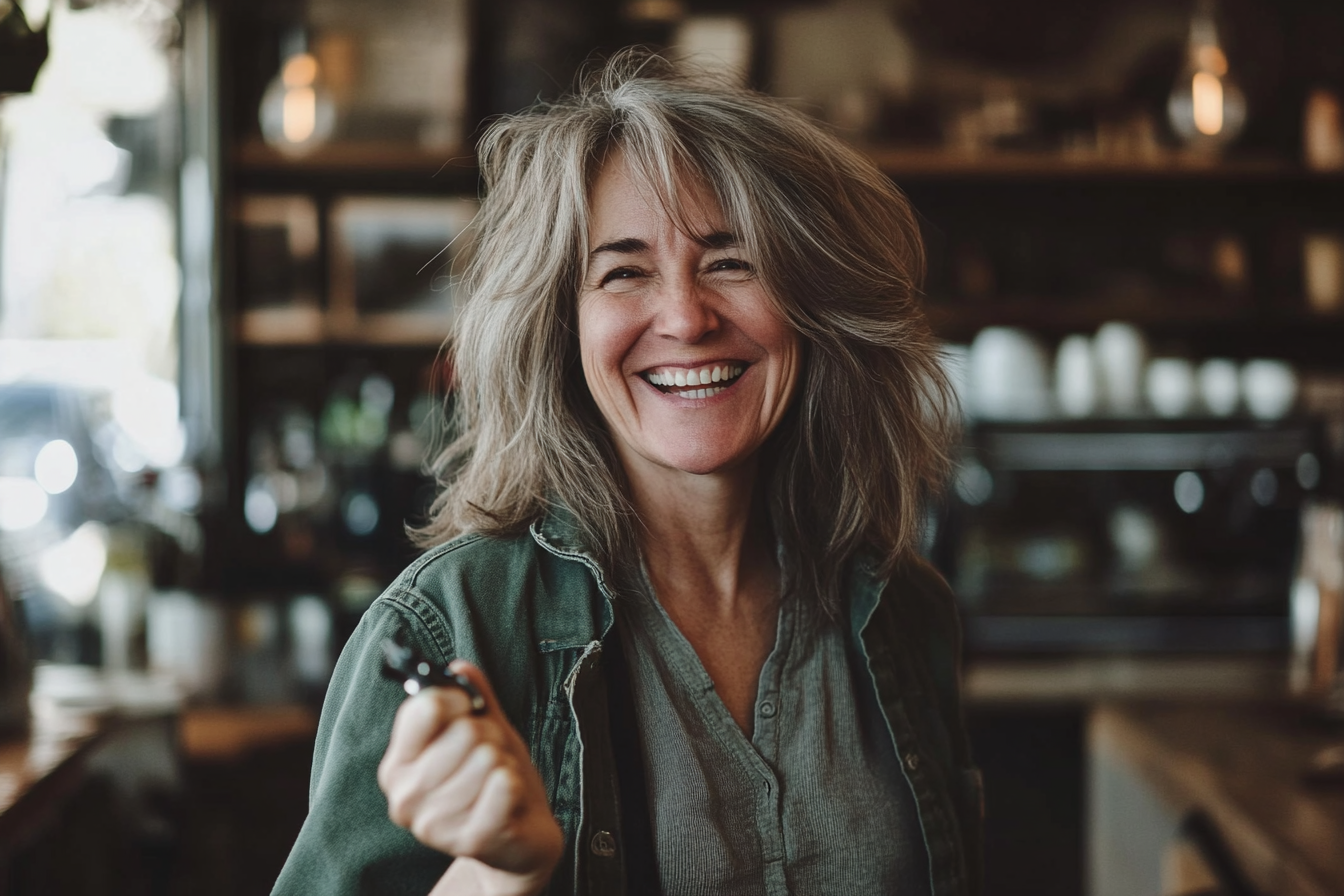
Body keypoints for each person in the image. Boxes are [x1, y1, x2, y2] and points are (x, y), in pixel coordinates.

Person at [273, 51, 981, 896]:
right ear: (561, 327)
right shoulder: (452, 626)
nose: (685, 317)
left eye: (731, 260)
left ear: (811, 301)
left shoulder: (902, 607)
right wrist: (499, 875)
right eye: (624, 272)